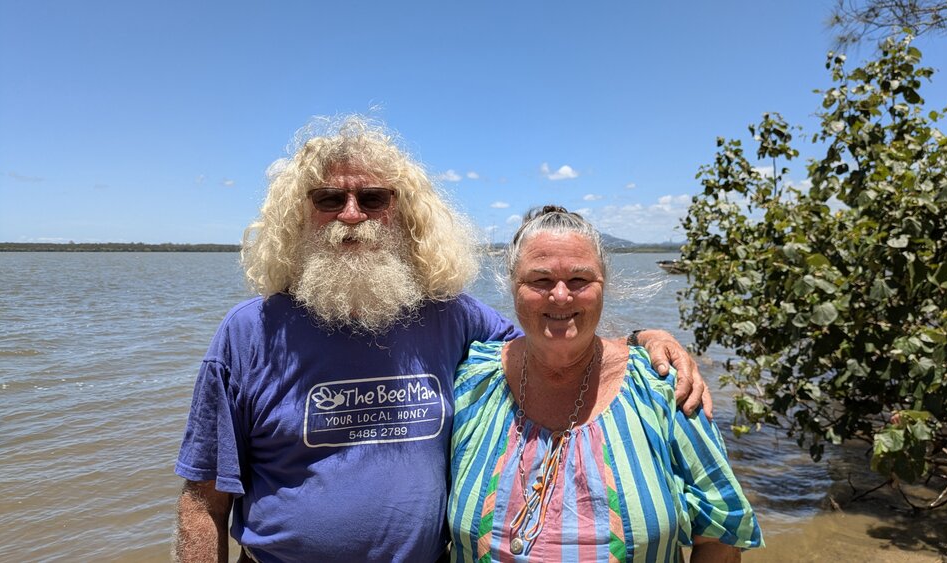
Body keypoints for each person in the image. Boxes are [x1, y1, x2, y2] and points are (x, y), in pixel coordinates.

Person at [172, 116, 710, 563]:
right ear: (300, 214)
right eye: (329, 198)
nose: (352, 214)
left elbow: (554, 338)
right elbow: (203, 502)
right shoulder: (250, 334)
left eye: (374, 198)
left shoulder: (450, 317)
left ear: (402, 213)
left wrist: (642, 339)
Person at [448, 206, 762, 562]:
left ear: (604, 285)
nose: (561, 295)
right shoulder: (473, 381)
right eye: (540, 280)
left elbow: (719, 538)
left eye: (579, 279)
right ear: (512, 286)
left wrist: (646, 338)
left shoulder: (661, 386)